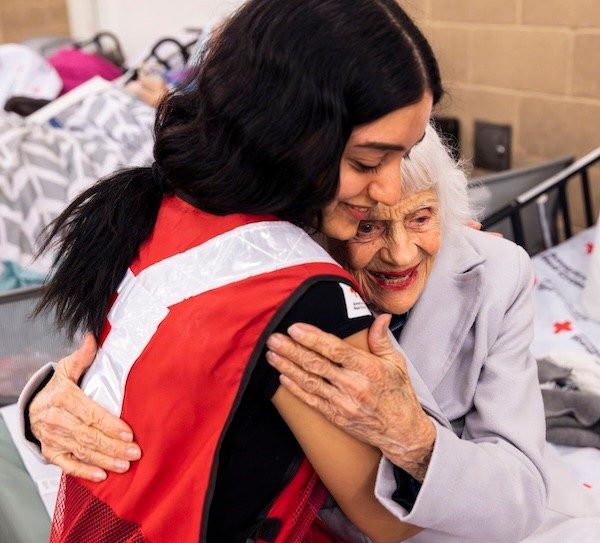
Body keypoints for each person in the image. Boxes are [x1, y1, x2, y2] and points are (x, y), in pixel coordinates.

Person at [19, 1, 444, 542]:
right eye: (366, 162)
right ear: (288, 132)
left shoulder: (152, 209)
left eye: (404, 157)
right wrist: (417, 439)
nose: (389, 190)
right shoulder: (306, 300)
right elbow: (391, 521)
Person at [265, 125, 600, 541]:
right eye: (368, 227)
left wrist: (417, 441)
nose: (402, 253)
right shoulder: (298, 300)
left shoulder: (497, 272)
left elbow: (521, 493)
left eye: (421, 217)